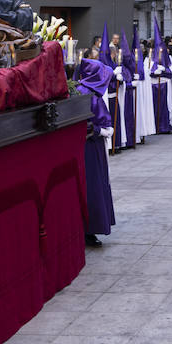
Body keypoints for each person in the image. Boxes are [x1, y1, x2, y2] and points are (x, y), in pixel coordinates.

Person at [76, 59, 117, 245]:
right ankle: (90, 228)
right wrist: (102, 131)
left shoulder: (82, 90)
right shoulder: (89, 94)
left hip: (90, 145)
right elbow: (86, 125)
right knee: (93, 184)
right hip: (90, 146)